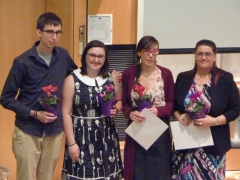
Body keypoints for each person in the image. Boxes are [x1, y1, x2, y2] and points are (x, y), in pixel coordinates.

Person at [0, 12, 78, 180]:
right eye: (50, 32)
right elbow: (6, 98)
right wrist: (34, 113)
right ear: (39, 32)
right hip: (28, 130)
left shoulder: (63, 56)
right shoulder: (22, 61)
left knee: (47, 177)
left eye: (58, 32)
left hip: (54, 131)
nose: (54, 37)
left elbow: (76, 78)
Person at [172, 39, 240, 179]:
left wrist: (215, 121)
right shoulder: (183, 78)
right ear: (195, 55)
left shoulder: (225, 78)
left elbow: (235, 108)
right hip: (186, 146)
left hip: (213, 147)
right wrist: (179, 116)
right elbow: (174, 106)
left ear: (214, 56)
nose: (204, 57)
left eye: (208, 54)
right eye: (200, 54)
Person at [61, 40, 123, 180]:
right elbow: (65, 112)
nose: (96, 59)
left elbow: (119, 100)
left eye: (100, 56)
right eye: (92, 55)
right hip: (81, 136)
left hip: (107, 136)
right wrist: (71, 142)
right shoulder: (72, 79)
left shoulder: (111, 78)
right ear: (85, 56)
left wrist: (117, 108)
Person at [122, 36, 174, 180]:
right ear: (139, 52)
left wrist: (159, 111)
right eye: (146, 51)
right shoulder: (129, 74)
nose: (151, 55)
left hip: (159, 131)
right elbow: (125, 103)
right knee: (137, 172)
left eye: (154, 51)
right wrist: (130, 113)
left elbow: (171, 103)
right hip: (137, 130)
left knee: (160, 171)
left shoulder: (166, 74)